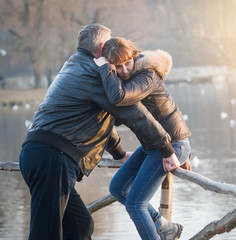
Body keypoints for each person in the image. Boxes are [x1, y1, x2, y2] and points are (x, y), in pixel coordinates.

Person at [19, 24, 179, 240]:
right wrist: (167, 149)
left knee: (80, 226)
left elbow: (96, 121)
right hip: (52, 158)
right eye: (110, 42)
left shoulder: (75, 65)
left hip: (41, 155)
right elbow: (135, 114)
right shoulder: (94, 74)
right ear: (103, 46)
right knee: (46, 234)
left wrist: (120, 153)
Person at [94, 37, 191, 240]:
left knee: (135, 204)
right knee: (118, 188)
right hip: (152, 146)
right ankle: (164, 226)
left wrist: (105, 69)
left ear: (135, 56)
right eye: (117, 67)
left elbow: (119, 98)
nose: (124, 70)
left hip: (171, 147)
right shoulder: (122, 82)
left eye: (127, 63)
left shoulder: (146, 75)